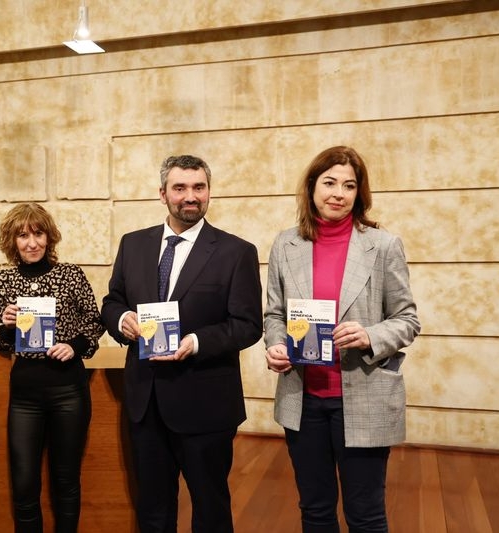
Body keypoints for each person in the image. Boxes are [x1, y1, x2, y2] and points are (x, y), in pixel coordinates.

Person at [101, 154, 263, 533]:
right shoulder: (133, 244)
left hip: (205, 405)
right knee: (153, 509)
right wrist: (122, 319)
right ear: (163, 194)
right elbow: (112, 301)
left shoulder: (236, 252)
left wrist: (195, 341)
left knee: (210, 508)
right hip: (145, 403)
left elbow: (247, 325)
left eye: (199, 187)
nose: (190, 196)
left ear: (208, 192)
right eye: (180, 188)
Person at [264, 146, 421, 533]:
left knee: (365, 514)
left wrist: (369, 335)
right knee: (315, 510)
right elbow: (274, 315)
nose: (338, 193)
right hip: (303, 401)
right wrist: (276, 344)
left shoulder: (383, 245)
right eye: (330, 182)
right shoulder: (286, 244)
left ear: (359, 193)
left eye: (349, 185)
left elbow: (407, 320)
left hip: (363, 394)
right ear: (312, 187)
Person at [0, 202, 104, 533]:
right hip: (25, 393)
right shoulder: (3, 281)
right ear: (12, 241)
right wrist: (7, 325)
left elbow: (94, 321)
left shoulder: (70, 274)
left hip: (69, 389)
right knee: (24, 484)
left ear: (49, 237)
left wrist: (75, 346)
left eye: (38, 233)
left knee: (65, 481)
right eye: (22, 235)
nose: (32, 242)